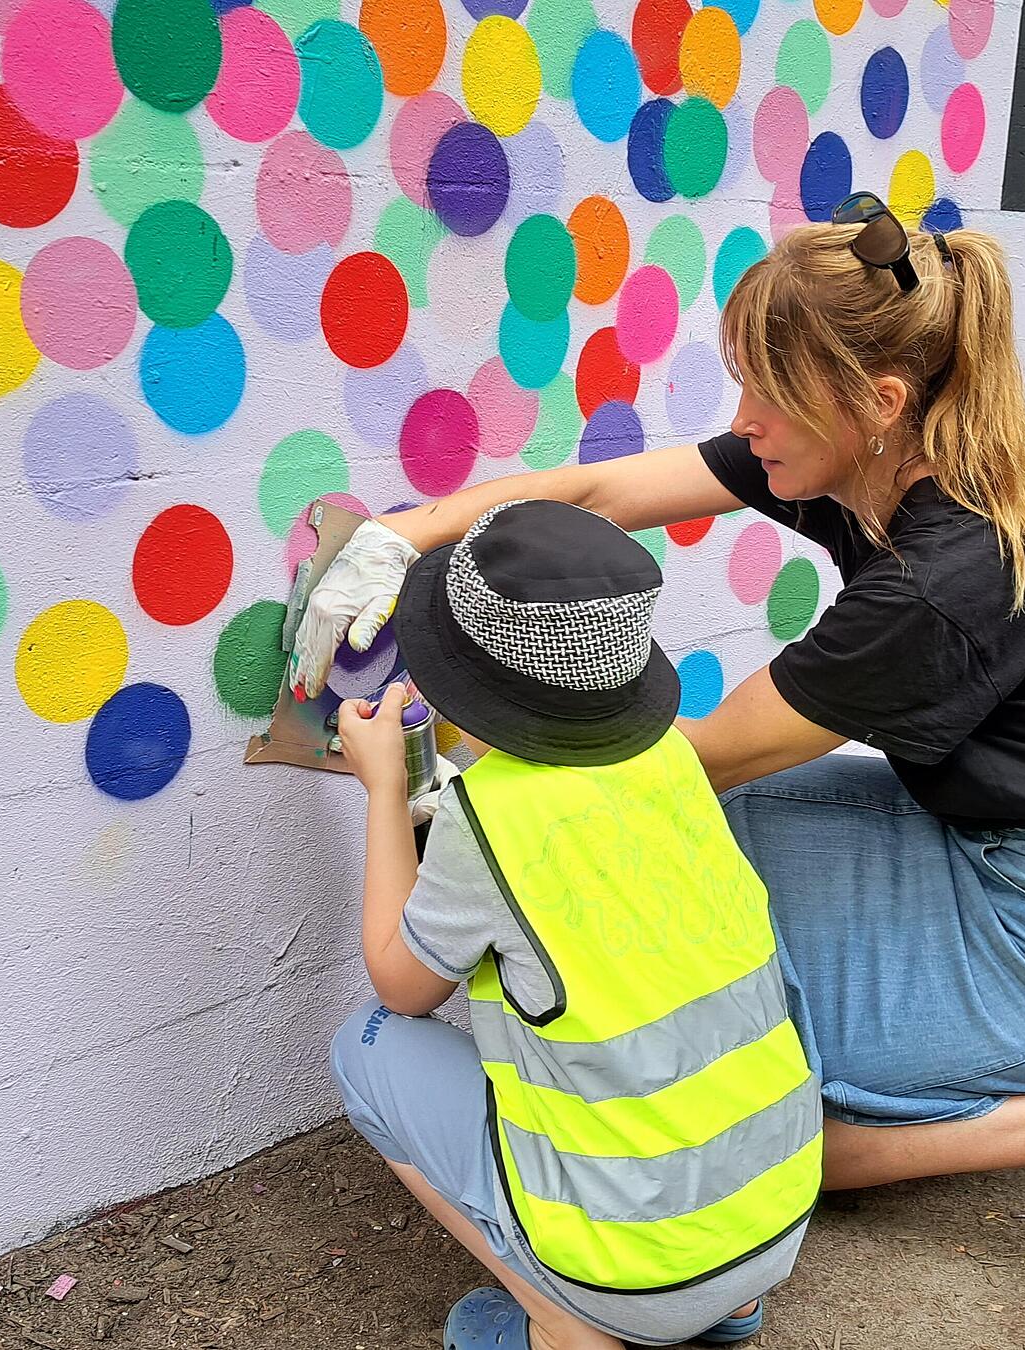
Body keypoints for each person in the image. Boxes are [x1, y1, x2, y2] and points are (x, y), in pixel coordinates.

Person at [298, 195, 1025, 1313]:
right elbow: (603, 492)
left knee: (761, 1107)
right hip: (995, 843)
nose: (742, 418)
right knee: (696, 876)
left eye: (766, 392)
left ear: (877, 403)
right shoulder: (867, 461)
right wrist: (404, 535)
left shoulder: (941, 584)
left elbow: (678, 762)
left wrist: (430, 768)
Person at [326, 499, 823, 1350]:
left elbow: (399, 986)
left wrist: (382, 789)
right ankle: (726, 1309)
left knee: (365, 1047)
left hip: (633, 1276)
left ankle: (567, 1326)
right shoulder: (670, 757)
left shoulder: (488, 815)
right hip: (776, 1220)